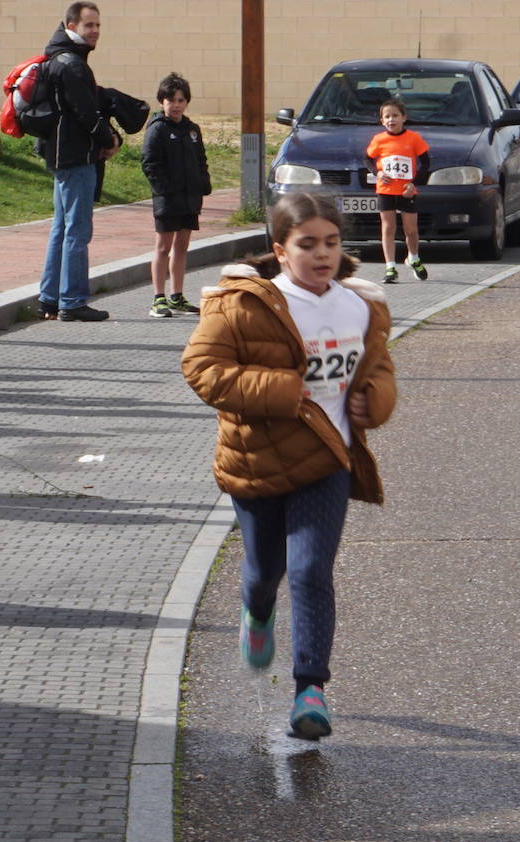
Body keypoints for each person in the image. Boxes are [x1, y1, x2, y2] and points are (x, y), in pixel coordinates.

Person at [181, 192, 396, 740]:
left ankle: (311, 691)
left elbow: (378, 370)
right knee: (263, 573)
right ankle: (256, 613)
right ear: (280, 251)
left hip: (328, 457)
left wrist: (374, 401)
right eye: (307, 245)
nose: (322, 255)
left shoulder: (361, 306)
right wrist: (282, 389)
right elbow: (202, 368)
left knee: (309, 572)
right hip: (257, 459)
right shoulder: (242, 305)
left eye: (331, 243)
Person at [36, 1, 120, 322]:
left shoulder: (60, 57)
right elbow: (86, 114)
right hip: (74, 157)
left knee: (61, 228)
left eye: (97, 25)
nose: (95, 31)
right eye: (89, 25)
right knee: (77, 230)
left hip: (63, 155)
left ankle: (50, 298)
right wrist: (109, 140)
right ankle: (71, 301)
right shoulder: (71, 64)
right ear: (71, 26)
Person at [140, 72, 211, 318]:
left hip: (190, 198)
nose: (176, 105)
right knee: (163, 246)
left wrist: (203, 183)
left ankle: (177, 296)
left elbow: (201, 160)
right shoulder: (157, 129)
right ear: (162, 102)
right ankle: (157, 299)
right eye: (171, 100)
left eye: (181, 100)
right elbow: (150, 163)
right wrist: (164, 189)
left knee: (182, 246)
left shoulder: (192, 130)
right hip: (167, 198)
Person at [365, 98, 430, 284]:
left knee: (411, 230)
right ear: (382, 120)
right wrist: (377, 172)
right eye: (387, 117)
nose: (391, 120)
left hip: (406, 191)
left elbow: (426, 163)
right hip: (385, 189)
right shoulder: (379, 140)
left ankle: (414, 258)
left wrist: (414, 183)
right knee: (388, 228)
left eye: (395, 116)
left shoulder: (413, 138)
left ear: (404, 118)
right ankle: (390, 267)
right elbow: (367, 159)